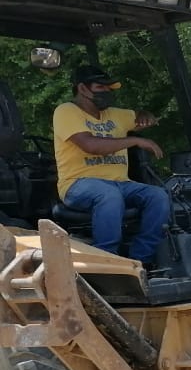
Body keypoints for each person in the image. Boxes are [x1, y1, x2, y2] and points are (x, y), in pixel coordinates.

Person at [52, 65, 171, 264]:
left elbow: (144, 116)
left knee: (158, 195)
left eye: (109, 88)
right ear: (82, 89)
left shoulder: (115, 115)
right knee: (108, 195)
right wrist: (135, 141)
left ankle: (141, 260)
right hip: (78, 185)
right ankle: (107, 260)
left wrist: (144, 115)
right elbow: (91, 145)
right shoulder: (66, 112)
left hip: (121, 183)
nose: (107, 92)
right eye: (101, 87)